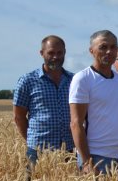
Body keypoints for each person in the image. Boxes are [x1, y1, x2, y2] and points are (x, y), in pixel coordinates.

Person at [69, 30, 118, 174]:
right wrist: (86, 162)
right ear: (91, 50)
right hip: (96, 157)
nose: (109, 51)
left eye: (113, 47)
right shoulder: (83, 79)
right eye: (103, 47)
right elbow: (76, 123)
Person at [13, 35, 75, 168]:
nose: (55, 57)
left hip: (70, 148)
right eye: (51, 53)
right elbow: (19, 117)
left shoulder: (74, 80)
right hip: (38, 150)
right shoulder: (27, 80)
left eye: (59, 53)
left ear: (65, 52)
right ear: (42, 53)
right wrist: (33, 140)